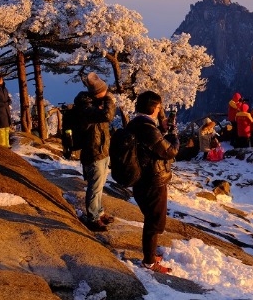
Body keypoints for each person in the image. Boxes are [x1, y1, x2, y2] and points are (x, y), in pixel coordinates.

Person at [128, 90, 179, 273]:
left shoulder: (137, 124)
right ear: (152, 108)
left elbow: (154, 146)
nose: (159, 110)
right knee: (154, 221)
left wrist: (162, 131)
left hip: (142, 179)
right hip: (152, 181)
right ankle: (149, 262)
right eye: (158, 107)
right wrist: (172, 133)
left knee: (152, 218)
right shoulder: (147, 128)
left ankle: (150, 254)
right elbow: (170, 151)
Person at [75, 72, 116, 232]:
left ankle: (99, 212)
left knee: (100, 185)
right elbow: (108, 115)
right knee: (95, 187)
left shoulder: (94, 104)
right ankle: (92, 218)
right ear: (99, 93)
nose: (107, 93)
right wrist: (108, 100)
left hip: (102, 151)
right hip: (93, 153)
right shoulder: (86, 107)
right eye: (104, 91)